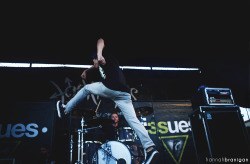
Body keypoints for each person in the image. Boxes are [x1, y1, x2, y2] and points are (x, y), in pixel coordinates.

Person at [57, 38, 159, 164]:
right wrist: (86, 71)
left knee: (86, 89)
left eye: (93, 60)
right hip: (124, 94)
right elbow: (95, 65)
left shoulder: (103, 57)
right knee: (133, 120)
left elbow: (100, 40)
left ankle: (65, 109)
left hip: (112, 87)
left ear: (96, 58)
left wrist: (99, 54)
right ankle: (150, 148)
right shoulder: (101, 65)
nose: (94, 63)